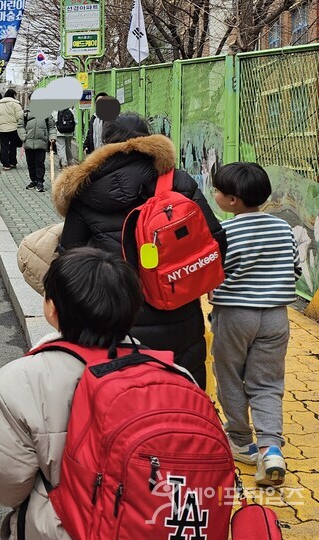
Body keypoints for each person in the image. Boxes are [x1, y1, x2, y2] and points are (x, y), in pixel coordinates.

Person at [0, 247, 144, 539]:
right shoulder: (174, 373)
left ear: (52, 309)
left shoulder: (20, 379)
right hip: (148, 524)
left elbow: (2, 483)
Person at [53, 113, 226, 389]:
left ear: (105, 142)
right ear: (149, 138)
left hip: (112, 322)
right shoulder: (178, 181)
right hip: (179, 313)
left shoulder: (85, 189)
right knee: (184, 396)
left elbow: (69, 261)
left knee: (126, 402)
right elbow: (215, 240)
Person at [208, 162, 298, 486]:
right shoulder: (283, 228)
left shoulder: (225, 232)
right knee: (267, 382)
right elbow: (295, 270)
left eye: (217, 190)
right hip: (275, 316)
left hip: (234, 315)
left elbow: (214, 272)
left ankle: (241, 441)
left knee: (230, 376)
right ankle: (272, 448)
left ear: (232, 201)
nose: (214, 193)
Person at [21, 100, 56, 192]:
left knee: (40, 163)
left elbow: (51, 127)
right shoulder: (25, 114)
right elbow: (20, 126)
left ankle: (40, 181)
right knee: (30, 163)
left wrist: (52, 137)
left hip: (41, 142)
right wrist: (23, 136)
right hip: (28, 142)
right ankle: (34, 180)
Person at [0, 89, 24, 170]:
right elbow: (20, 117)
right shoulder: (15, 104)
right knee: (13, 146)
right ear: (13, 95)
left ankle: (5, 163)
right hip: (13, 128)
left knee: (4, 146)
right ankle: (12, 162)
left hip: (2, 129)